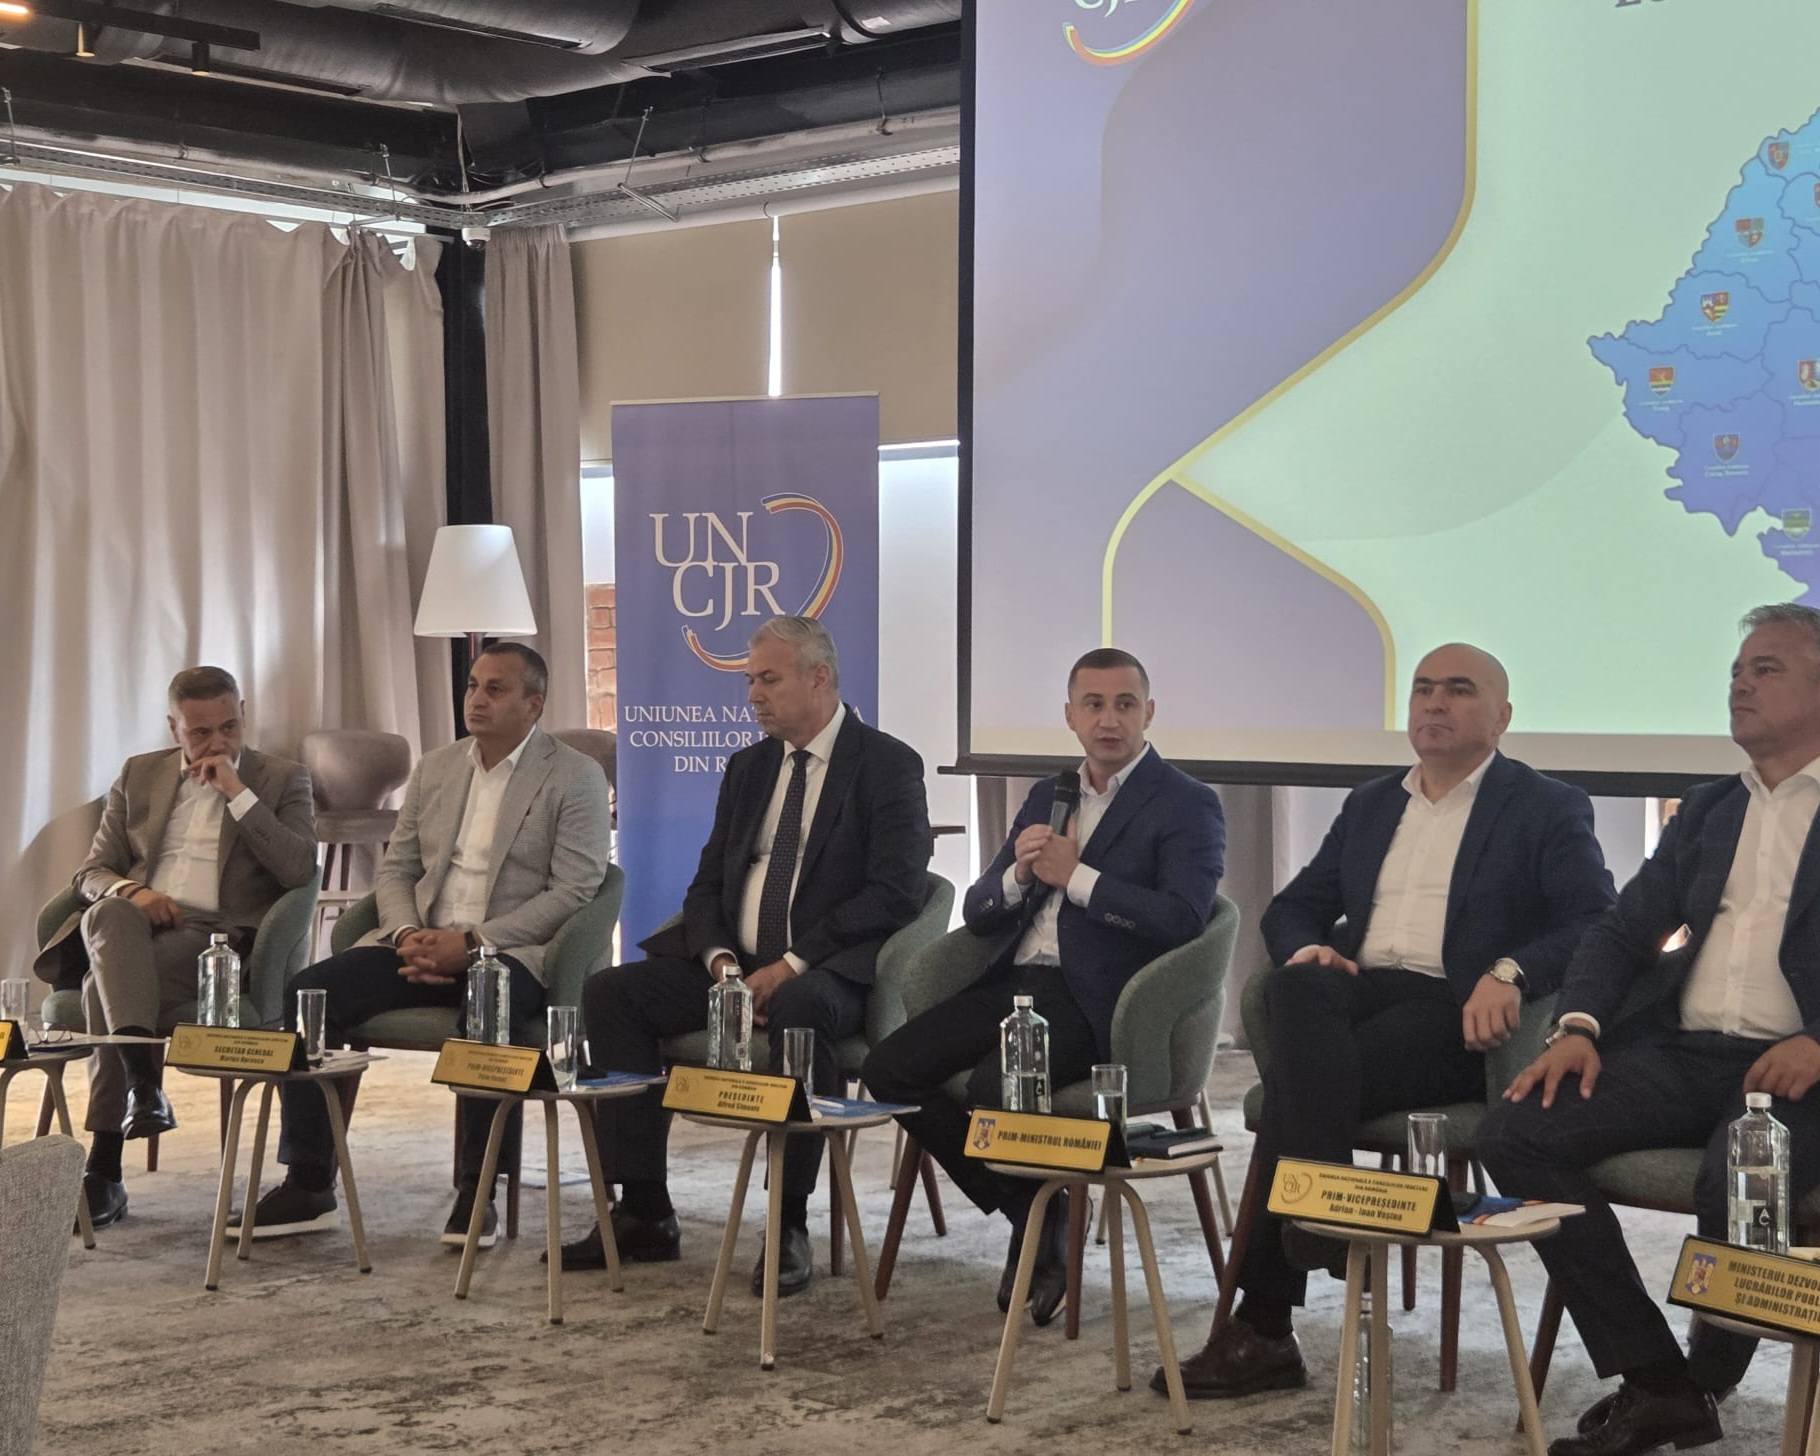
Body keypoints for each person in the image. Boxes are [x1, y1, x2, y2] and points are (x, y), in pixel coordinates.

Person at [1169, 642, 1615, 1400]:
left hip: (1454, 1012)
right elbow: (1294, 905)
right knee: (1297, 988)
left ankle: (1266, 1324)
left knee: (1295, 1095)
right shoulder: (1373, 802)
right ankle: (1319, 1201)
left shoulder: (1545, 805)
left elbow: (1594, 920)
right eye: (1423, 688)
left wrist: (1510, 971)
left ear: (1502, 717)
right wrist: (1309, 947)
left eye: (1459, 690)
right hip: (1361, 990)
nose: (1435, 703)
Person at [1480, 604, 1820, 1456]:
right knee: (1517, 1133)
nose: (1740, 684)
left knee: (1740, 1172)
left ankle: (1705, 1380)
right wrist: (1578, 1026)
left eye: (1766, 669)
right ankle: (1657, 1379)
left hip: (1801, 1071)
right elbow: (1622, 931)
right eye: (1736, 670)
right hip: (1687, 1050)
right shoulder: (1710, 810)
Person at [558, 616, 930, 1296]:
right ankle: (644, 1207)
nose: (754, 695)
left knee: (801, 1008)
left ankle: (788, 1222)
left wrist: (790, 965)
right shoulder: (749, 767)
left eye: (769, 680)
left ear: (819, 678)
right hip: (736, 967)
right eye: (750, 681)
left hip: (828, 971)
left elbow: (896, 891)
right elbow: (707, 884)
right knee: (613, 993)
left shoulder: (886, 765)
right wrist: (724, 965)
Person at [863, 647, 1225, 1325]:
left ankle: (1035, 1230)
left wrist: (1077, 879)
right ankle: (1033, 1208)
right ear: (1070, 716)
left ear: (1149, 712)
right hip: (1013, 983)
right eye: (1094, 705)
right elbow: (980, 909)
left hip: (1099, 1000)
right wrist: (1020, 876)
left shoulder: (1187, 803)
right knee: (889, 1070)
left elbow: (1183, 919)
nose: (1109, 720)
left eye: (1124, 704)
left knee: (992, 1088)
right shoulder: (1047, 795)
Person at [243, 643, 612, 1247]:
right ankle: (308, 1182)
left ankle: (477, 1189)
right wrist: (408, 934)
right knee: (310, 992)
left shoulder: (575, 775)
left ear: (534, 704)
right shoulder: (437, 768)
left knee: (488, 1007)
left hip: (509, 951)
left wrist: (473, 942)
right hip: (418, 940)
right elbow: (398, 868)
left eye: (495, 689)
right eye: (472, 685)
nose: (476, 699)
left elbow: (575, 890)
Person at [32, 666, 317, 1229]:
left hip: (214, 939)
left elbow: (299, 868)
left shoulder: (284, 779)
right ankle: (143, 1088)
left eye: (229, 727)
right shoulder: (139, 774)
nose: (217, 743)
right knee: (110, 912)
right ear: (174, 728)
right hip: (133, 926)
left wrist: (237, 793)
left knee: (99, 986)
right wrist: (134, 892)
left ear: (243, 713)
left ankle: (106, 1165)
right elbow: (91, 872)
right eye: (201, 732)